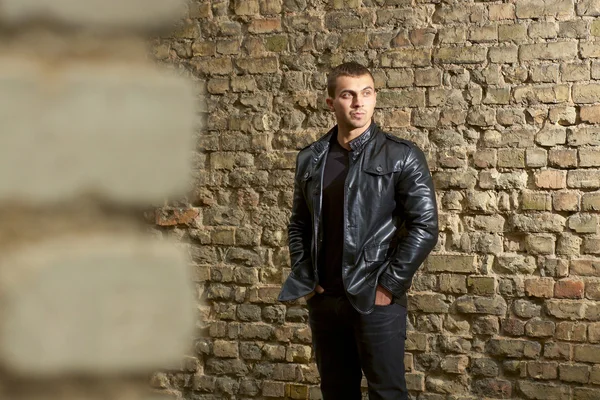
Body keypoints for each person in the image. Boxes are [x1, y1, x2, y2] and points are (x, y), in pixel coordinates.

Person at [277, 62, 439, 400]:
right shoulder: (310, 159)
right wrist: (307, 278)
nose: (358, 103)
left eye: (366, 93)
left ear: (375, 98)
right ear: (330, 102)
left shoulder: (402, 156)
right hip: (325, 300)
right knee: (336, 392)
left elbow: (425, 226)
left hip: (375, 299)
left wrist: (388, 285)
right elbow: (299, 224)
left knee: (388, 393)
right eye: (348, 95)